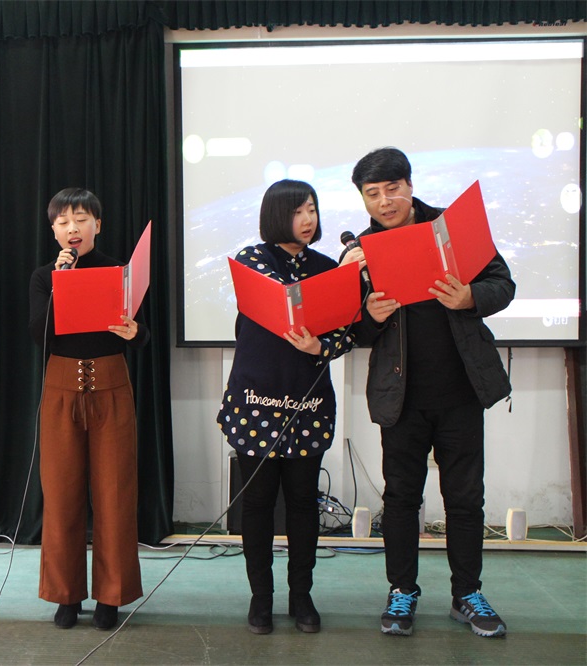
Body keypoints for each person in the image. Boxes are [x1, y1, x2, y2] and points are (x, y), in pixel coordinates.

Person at [346, 147, 514, 638]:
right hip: (401, 397)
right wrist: (368, 317)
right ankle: (402, 591)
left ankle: (468, 594)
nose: (385, 201)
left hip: (461, 390)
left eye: (392, 189)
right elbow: (350, 329)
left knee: (465, 498)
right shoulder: (360, 252)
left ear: (410, 186)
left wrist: (470, 296)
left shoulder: (451, 228)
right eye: (372, 194)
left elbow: (503, 283)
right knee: (401, 498)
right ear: (363, 199)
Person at [216, 179, 355, 634]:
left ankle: (301, 596)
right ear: (277, 216)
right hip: (256, 401)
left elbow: (348, 332)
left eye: (312, 209)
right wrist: (338, 280)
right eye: (298, 211)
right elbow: (284, 295)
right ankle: (261, 598)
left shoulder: (327, 266)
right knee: (257, 503)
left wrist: (321, 346)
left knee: (302, 502)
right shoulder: (254, 260)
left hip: (308, 402)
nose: (308, 219)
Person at [28, 187, 147, 630]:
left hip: (111, 384)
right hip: (61, 386)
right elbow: (39, 334)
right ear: (53, 230)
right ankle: (66, 595)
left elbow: (144, 335)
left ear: (98, 224)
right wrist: (61, 283)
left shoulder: (119, 272)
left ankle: (111, 596)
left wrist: (135, 332)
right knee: (61, 494)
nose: (72, 228)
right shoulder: (45, 276)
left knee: (115, 494)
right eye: (62, 221)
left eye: (81, 219)